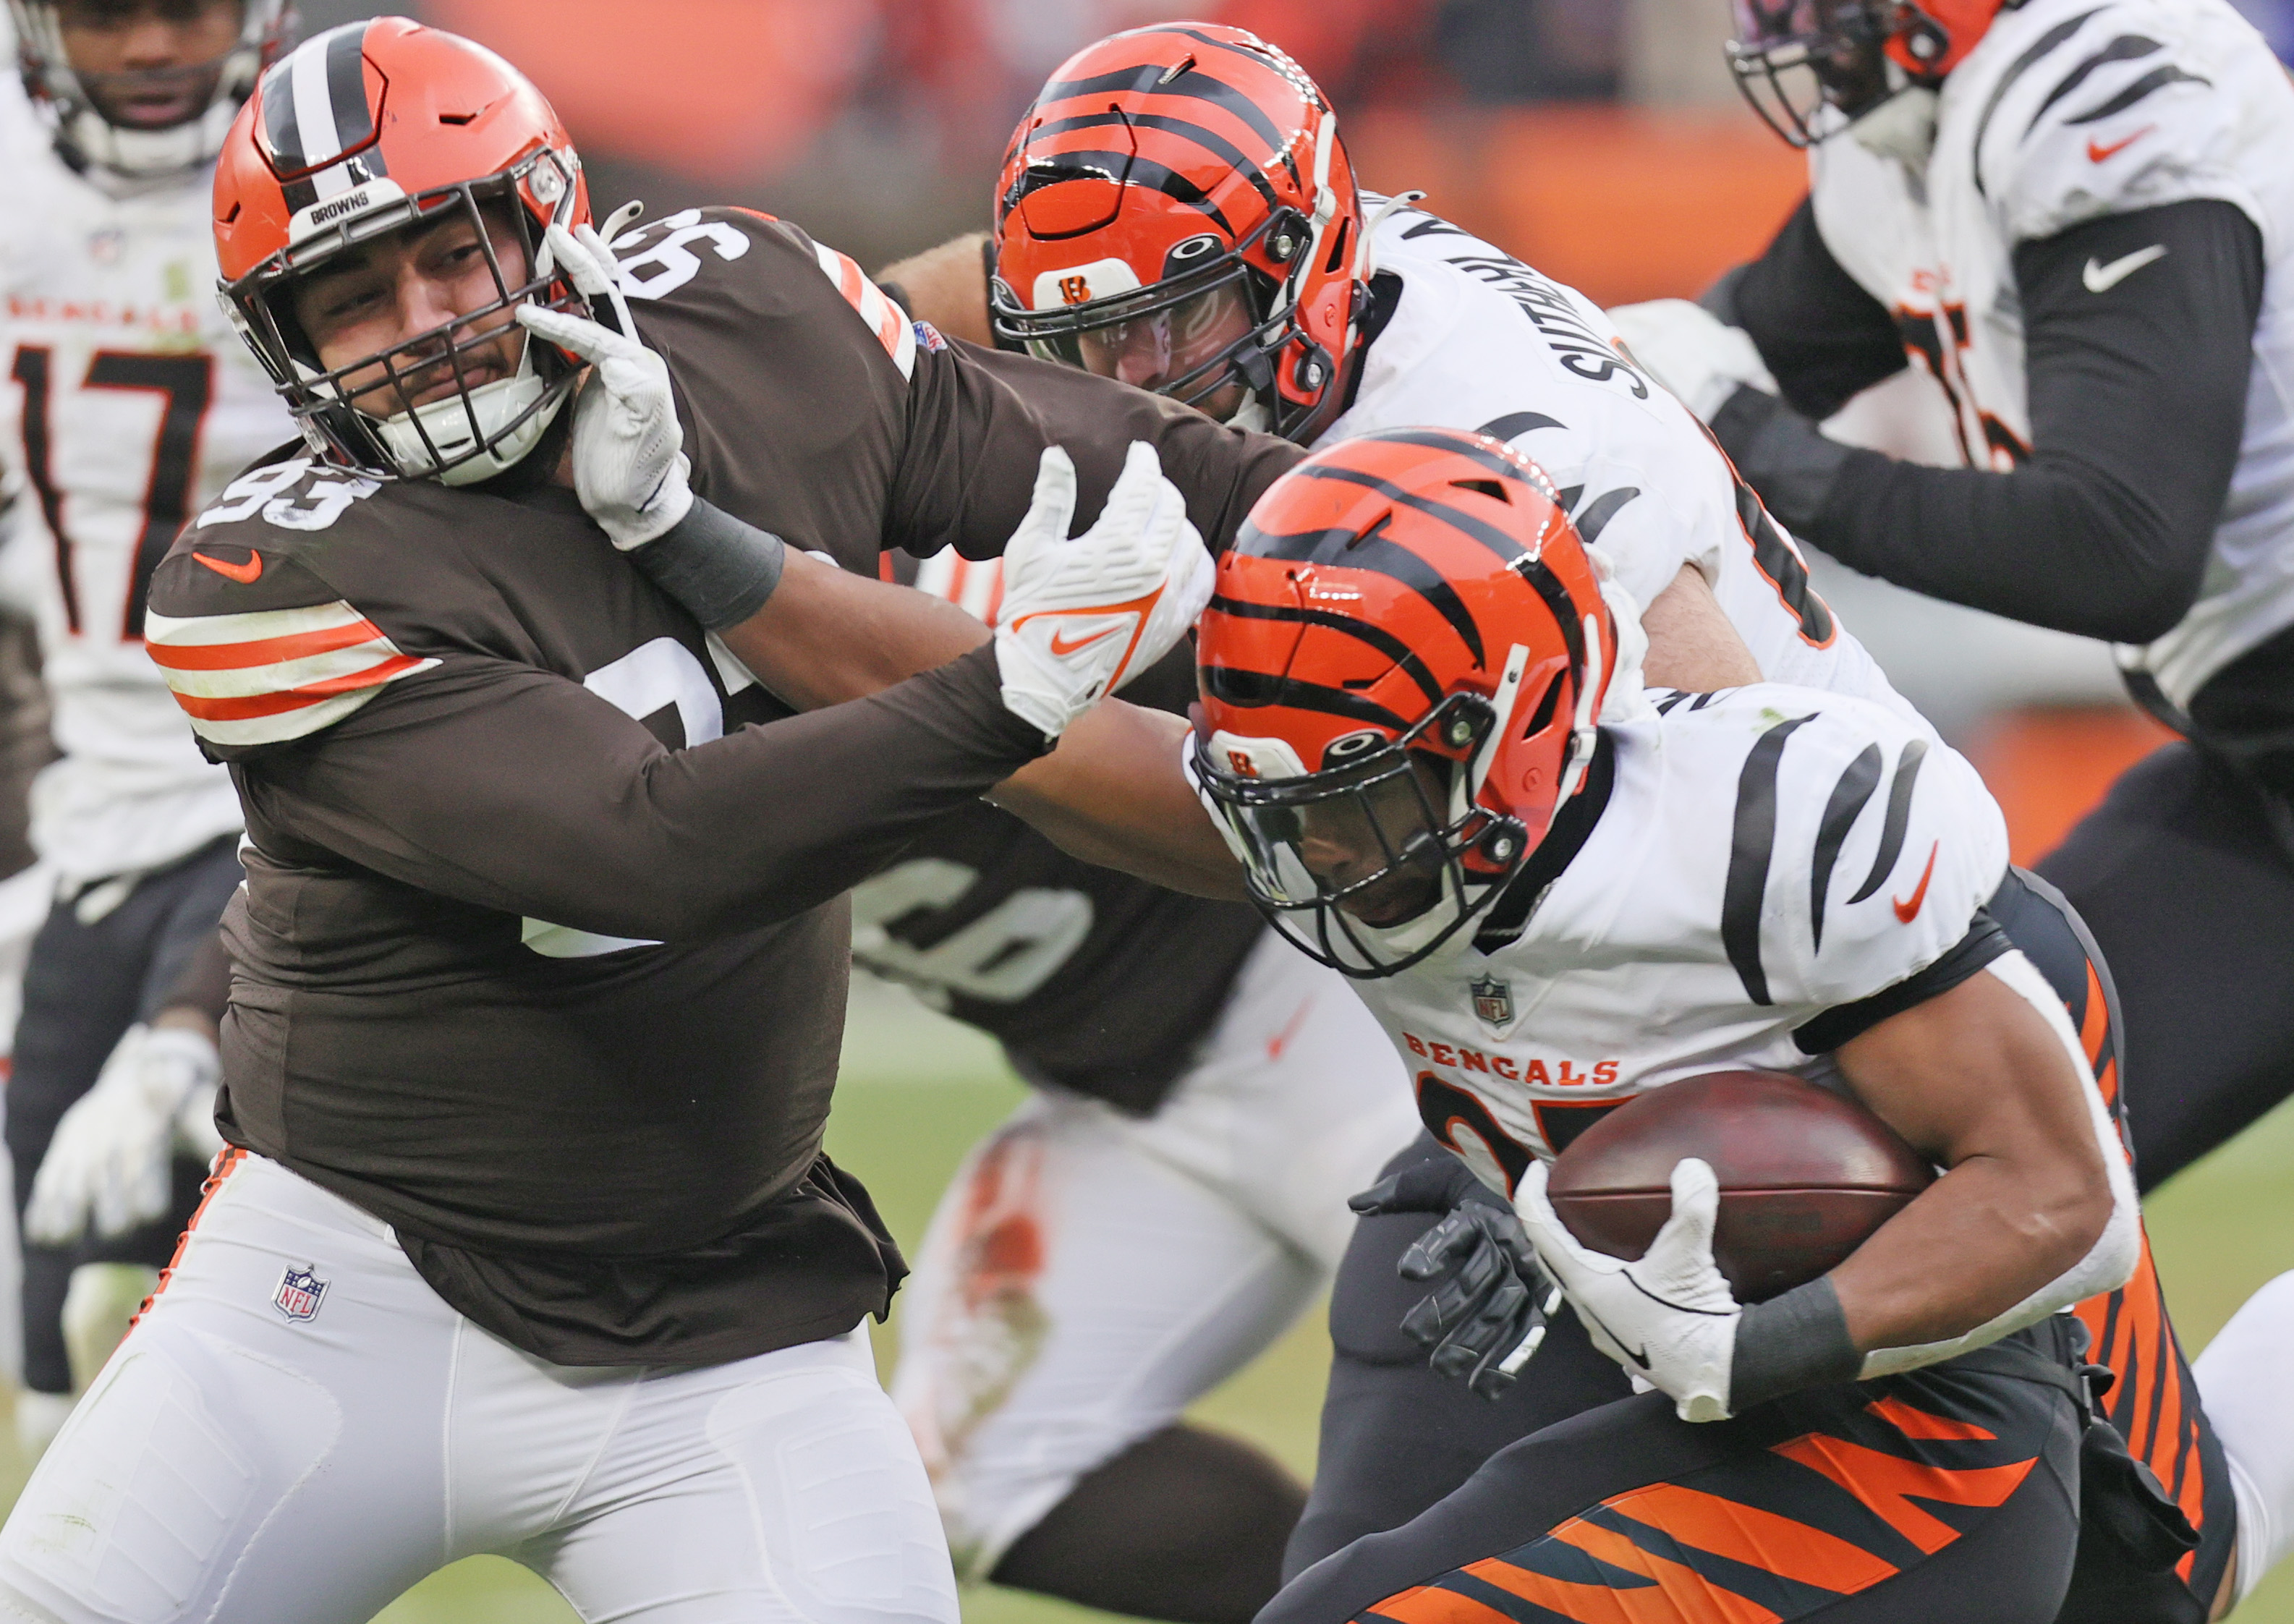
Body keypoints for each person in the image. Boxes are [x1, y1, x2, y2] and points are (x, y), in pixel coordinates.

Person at [0, 17, 1293, 1620]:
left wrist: (1389, 537)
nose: (420, 331)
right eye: (348, 302)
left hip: (725, 1327)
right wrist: (1009, 690)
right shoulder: (263, 576)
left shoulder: (746, 310)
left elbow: (1147, 471)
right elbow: (656, 843)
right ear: (282, 346)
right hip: (339, 1297)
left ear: (547, 215)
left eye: (449, 258)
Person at [862, 25, 1952, 1616]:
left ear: (1309, 257)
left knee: (2055, 1537)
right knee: (1024, 1478)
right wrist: (757, 343)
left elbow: (1706, 805)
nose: (1142, 383)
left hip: (1667, 995)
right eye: (1097, 340)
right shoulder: (1270, 277)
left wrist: (1581, 1128)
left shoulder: (1482, 444)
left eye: (1188, 322)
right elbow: (990, 286)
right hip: (1272, 1002)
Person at [982, 425, 2231, 1623]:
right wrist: (988, 684)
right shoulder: (1333, 813)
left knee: (2169, 1577)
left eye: (1352, 796)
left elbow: (2066, 1205)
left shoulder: (1765, 826)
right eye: (1275, 800)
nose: (1308, 851)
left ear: (1501, 730)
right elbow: (1063, 757)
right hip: (1563, 1268)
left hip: (1908, 1430)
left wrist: (1749, 1341)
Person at [1606, 0, 2294, 1604]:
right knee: (1935, 1147)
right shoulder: (1900, 146)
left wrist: (1758, 444)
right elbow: (1699, 369)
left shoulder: (2103, 81)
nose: (1787, 28)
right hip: (2254, 768)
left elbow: (2121, 538)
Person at [0, 0, 299, 1450]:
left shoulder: (329, 171)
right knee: (57, 1377)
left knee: (190, 1367)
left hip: (288, 797)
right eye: (108, 13)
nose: (152, 47)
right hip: (87, 823)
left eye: (188, 6)